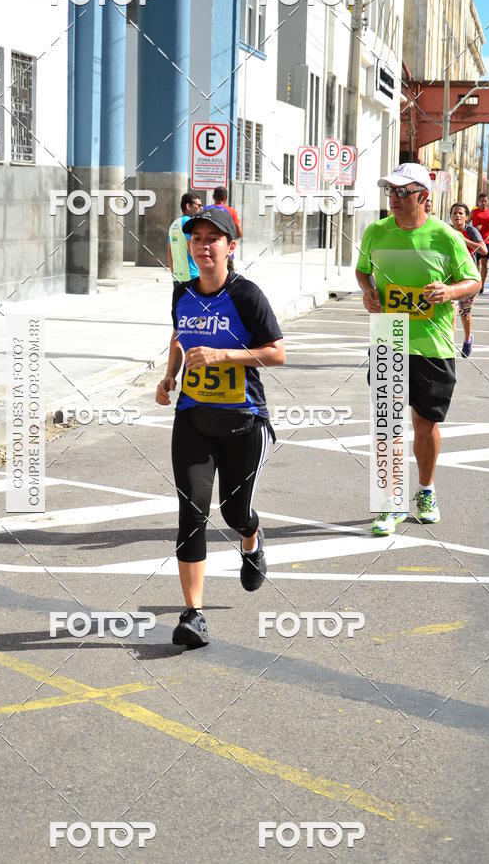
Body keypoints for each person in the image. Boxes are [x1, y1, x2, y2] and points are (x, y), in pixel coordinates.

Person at [156, 207, 285, 647]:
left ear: (231, 247)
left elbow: (276, 352)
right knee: (192, 514)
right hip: (193, 418)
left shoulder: (246, 295)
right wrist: (170, 375)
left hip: (244, 423)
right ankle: (193, 614)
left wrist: (222, 356)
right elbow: (179, 335)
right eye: (197, 239)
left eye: (214, 239)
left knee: (233, 513)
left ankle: (251, 538)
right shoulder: (182, 294)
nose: (204, 245)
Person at [356, 163, 481, 536]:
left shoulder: (445, 236)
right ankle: (389, 503)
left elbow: (472, 280)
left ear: (424, 197)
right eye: (389, 192)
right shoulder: (376, 232)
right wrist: (367, 292)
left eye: (401, 193)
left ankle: (425, 491)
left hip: (433, 343)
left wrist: (450, 292)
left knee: (424, 425)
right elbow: (364, 270)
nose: (393, 199)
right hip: (388, 336)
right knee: (389, 425)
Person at [448, 202, 486, 357]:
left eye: (460, 213)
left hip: (468, 278)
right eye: (454, 213)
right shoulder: (447, 230)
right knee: (450, 313)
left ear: (467, 216)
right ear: (450, 216)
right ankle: (449, 345)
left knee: (465, 313)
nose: (457, 216)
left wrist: (464, 241)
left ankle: (467, 338)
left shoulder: (471, 231)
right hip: (450, 277)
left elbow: (483, 249)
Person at [167, 193, 202, 283]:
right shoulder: (188, 222)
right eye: (199, 205)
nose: (201, 208)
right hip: (192, 275)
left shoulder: (174, 224)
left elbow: (170, 253)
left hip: (177, 277)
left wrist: (174, 273)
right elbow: (192, 249)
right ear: (188, 206)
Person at [471, 193, 489, 293]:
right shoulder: (474, 212)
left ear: (488, 201)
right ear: (478, 202)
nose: (484, 203)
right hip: (476, 241)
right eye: (482, 201)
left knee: (484, 263)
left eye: (485, 201)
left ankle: (482, 284)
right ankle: (478, 282)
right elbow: (467, 223)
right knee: (476, 263)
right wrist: (474, 229)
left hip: (487, 241)